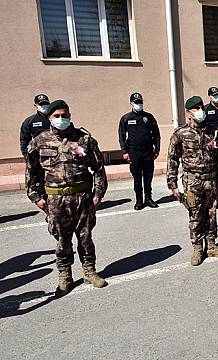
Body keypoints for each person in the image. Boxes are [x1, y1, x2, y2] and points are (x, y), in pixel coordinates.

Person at [25, 100, 108, 296]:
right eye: (57, 116)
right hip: (55, 201)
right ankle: (65, 275)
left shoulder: (83, 139)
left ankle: (89, 271)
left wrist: (98, 194)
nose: (61, 119)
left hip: (82, 197)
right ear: (49, 118)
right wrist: (36, 198)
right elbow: (32, 174)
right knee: (62, 240)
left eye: (65, 115)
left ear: (70, 115)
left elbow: (98, 169)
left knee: (86, 238)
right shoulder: (39, 142)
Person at [168, 96, 218, 266]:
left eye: (201, 107)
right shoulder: (180, 134)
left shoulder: (212, 131)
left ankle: (211, 245)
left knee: (211, 213)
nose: (200, 111)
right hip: (192, 181)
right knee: (195, 215)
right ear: (188, 113)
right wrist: (173, 185)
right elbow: (172, 160)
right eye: (195, 108)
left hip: (211, 179)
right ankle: (197, 248)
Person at [118, 92, 161, 210]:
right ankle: (139, 200)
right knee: (137, 178)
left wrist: (157, 148)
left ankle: (148, 199)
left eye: (140, 102)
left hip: (148, 152)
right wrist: (124, 152)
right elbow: (122, 136)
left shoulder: (149, 117)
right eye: (136, 102)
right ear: (131, 103)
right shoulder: (126, 118)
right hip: (134, 152)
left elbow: (156, 134)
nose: (139, 104)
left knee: (148, 177)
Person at [20, 94, 51, 158]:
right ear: (36, 105)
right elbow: (24, 141)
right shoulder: (29, 121)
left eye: (46, 103)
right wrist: (27, 156)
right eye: (41, 104)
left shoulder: (56, 118)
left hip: (56, 156)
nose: (44, 106)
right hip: (39, 156)